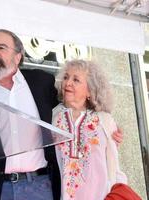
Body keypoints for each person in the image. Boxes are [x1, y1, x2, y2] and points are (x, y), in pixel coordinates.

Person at [0, 29, 123, 200]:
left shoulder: (40, 82)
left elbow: (73, 107)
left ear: (18, 56)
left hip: (41, 186)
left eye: (1, 47)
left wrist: (108, 129)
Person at [52, 59, 127, 200]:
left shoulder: (105, 120)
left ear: (89, 90)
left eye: (76, 80)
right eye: (66, 77)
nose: (68, 83)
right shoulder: (53, 117)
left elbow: (114, 165)